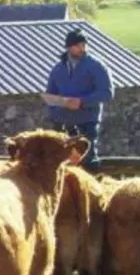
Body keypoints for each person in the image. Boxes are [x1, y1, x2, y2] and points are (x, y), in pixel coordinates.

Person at [45, 28, 114, 172]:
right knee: (61, 161)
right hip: (62, 123)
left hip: (87, 121)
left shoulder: (96, 66)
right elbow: (50, 96)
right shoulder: (58, 69)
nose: (82, 48)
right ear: (69, 47)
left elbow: (107, 93)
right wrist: (60, 106)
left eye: (84, 45)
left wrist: (82, 101)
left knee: (88, 160)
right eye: (78, 45)